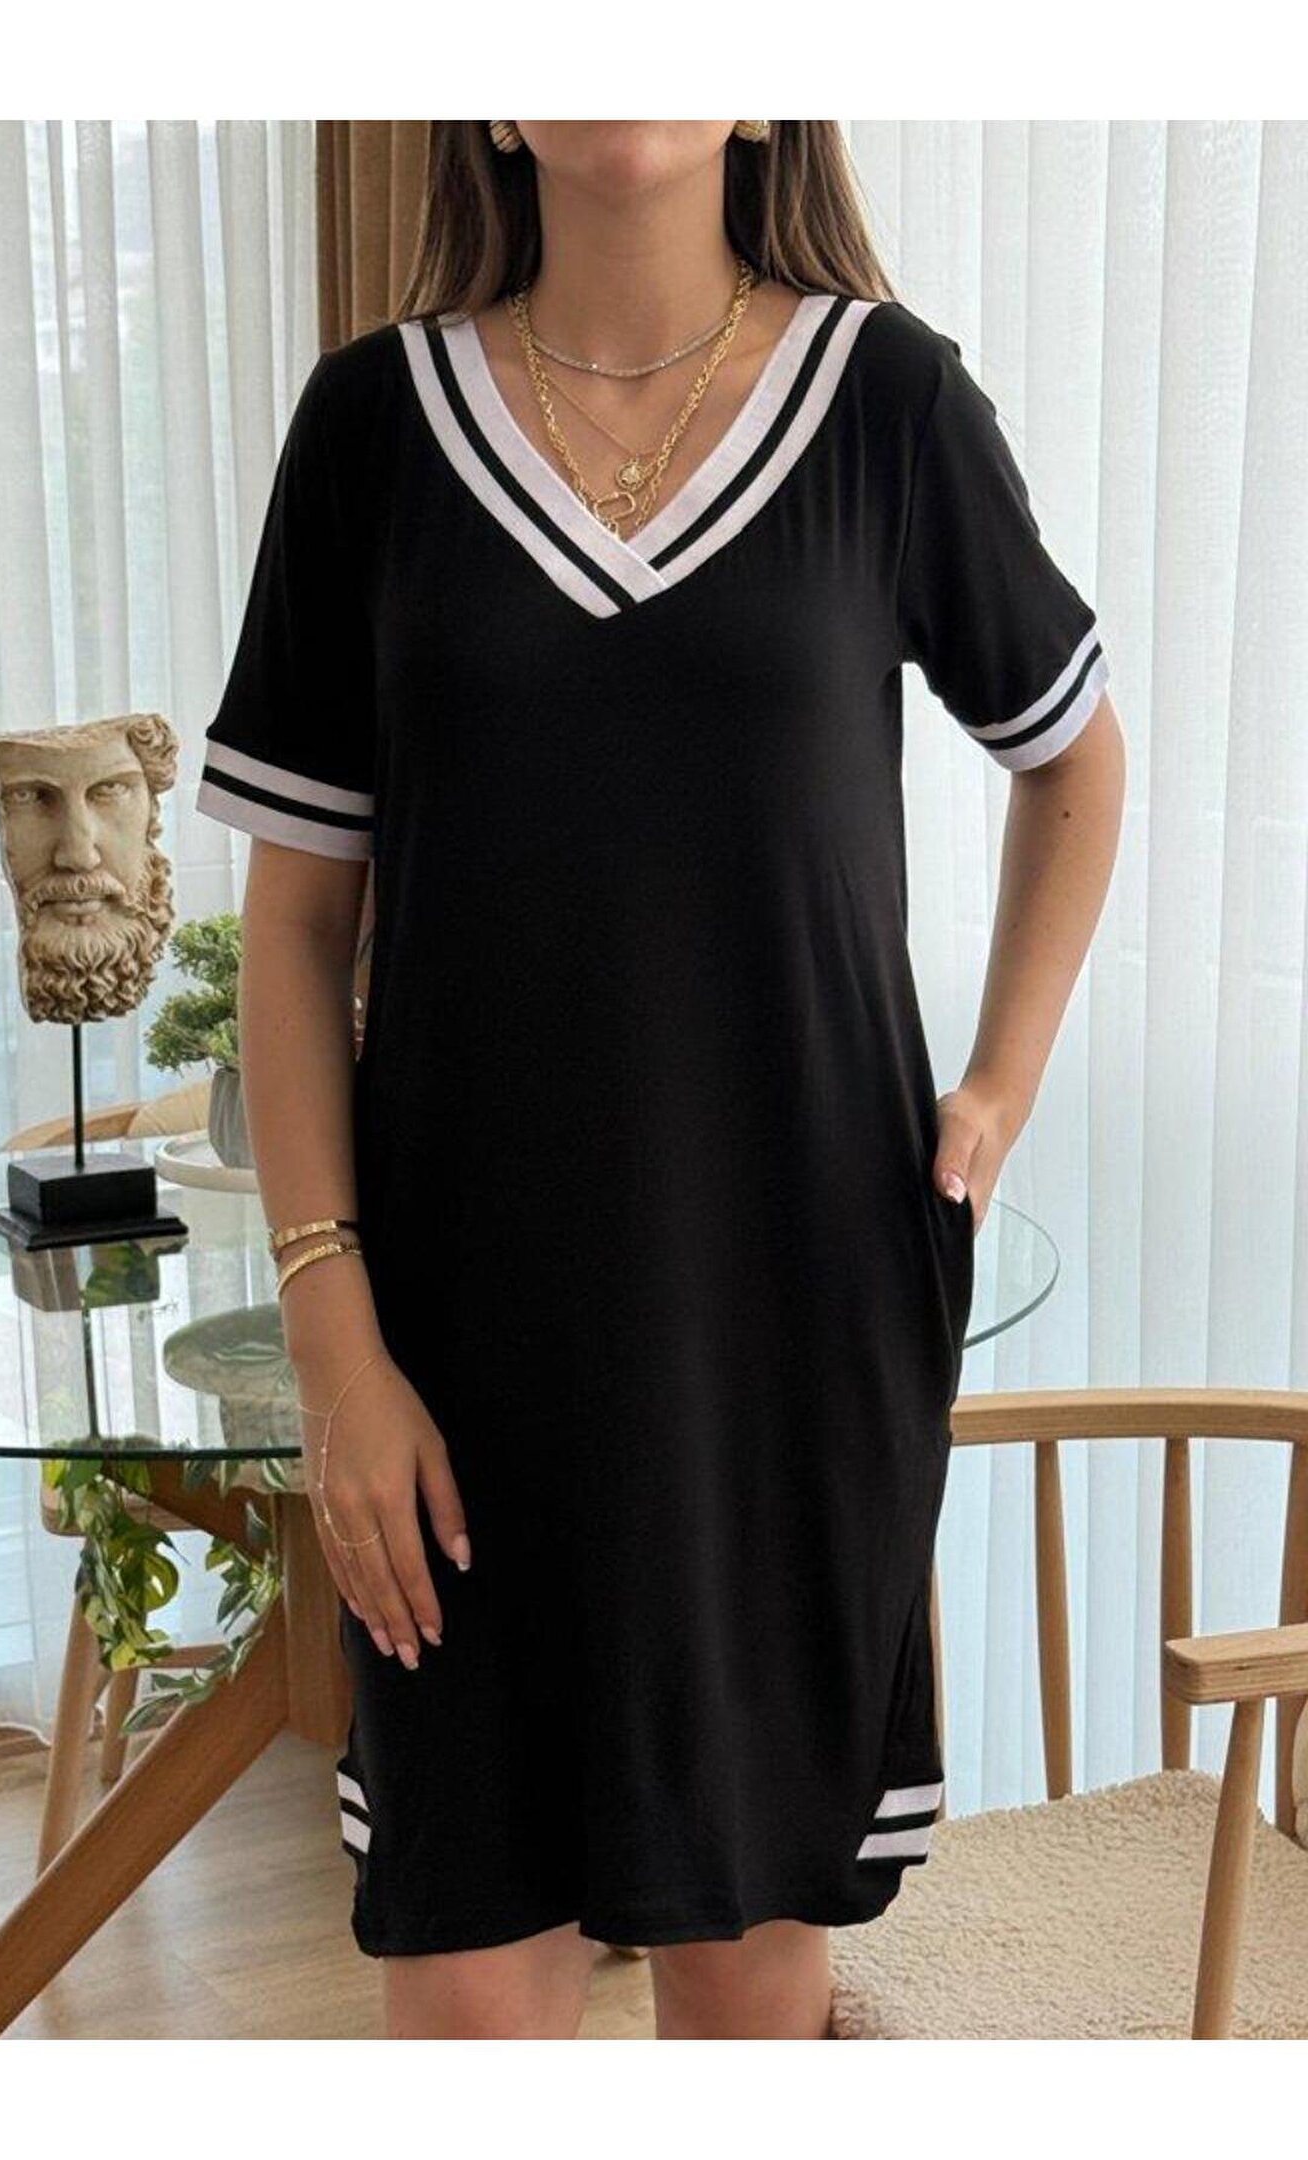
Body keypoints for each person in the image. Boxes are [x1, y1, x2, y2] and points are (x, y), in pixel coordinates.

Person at [194, 120, 1126, 2040]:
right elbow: (291, 932)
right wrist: (335, 1345)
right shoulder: (370, 428)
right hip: (455, 1341)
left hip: (793, 1315)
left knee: (745, 1961)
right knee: (469, 1986)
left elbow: (1073, 753)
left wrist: (997, 1085)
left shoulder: (890, 404)